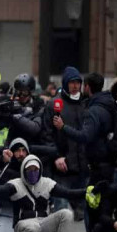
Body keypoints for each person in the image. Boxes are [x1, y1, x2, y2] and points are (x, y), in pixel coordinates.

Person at [53, 72, 117, 232]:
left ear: (87, 86)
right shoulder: (108, 103)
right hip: (107, 161)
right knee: (98, 205)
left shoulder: (94, 110)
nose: (78, 87)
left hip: (99, 163)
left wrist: (63, 127)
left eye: (81, 83)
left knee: (95, 206)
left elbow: (85, 136)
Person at [0, 138, 51, 232]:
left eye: (24, 150)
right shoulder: (5, 171)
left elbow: (53, 152)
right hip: (9, 215)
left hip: (31, 217)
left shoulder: (35, 169)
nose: (21, 154)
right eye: (17, 151)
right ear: (11, 152)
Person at [42, 67, 88, 216]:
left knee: (86, 208)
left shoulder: (85, 103)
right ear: (65, 83)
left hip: (82, 165)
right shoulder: (54, 104)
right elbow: (47, 134)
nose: (75, 86)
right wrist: (56, 157)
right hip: (62, 165)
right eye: (72, 82)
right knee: (61, 207)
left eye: (77, 83)